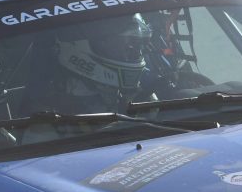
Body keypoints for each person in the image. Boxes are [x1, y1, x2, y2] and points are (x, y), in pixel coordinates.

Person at [24, 13, 153, 116]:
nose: (132, 50)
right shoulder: (47, 119)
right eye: (126, 44)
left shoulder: (143, 85)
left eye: (136, 44)